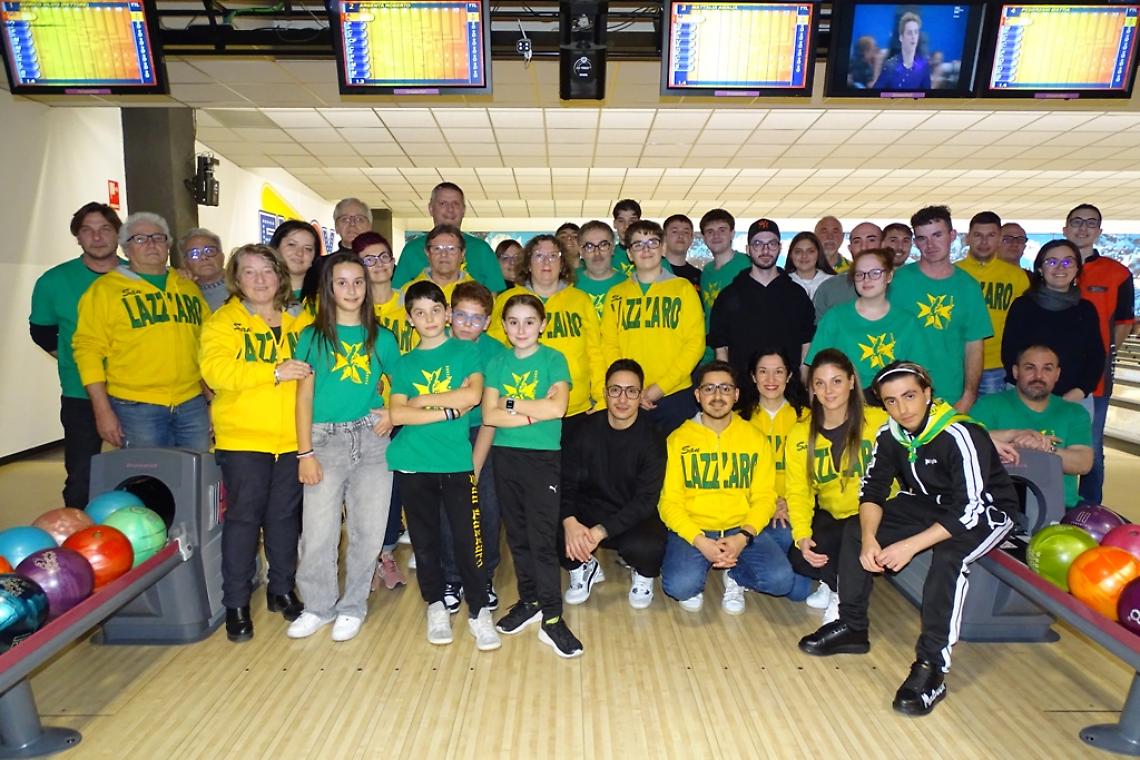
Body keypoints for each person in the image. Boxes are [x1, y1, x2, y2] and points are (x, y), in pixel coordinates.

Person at [798, 361, 1014, 716]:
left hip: (986, 511)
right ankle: (852, 626)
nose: (903, 408)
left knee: (949, 557)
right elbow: (872, 490)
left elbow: (968, 510)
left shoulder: (960, 434)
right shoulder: (890, 433)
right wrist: (870, 538)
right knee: (855, 530)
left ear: (928, 393)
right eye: (892, 401)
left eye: (910, 396)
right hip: (928, 503)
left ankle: (932, 668)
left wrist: (910, 546)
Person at [199, 244, 311, 642]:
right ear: (237, 278)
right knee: (244, 520)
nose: (260, 279)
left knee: (284, 518)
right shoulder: (223, 322)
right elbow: (216, 371)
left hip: (293, 438)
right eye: (249, 271)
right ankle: (236, 602)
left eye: (267, 270)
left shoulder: (301, 319)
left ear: (280, 275)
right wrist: (273, 372)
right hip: (244, 439)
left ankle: (282, 588)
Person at [289, 252, 399, 643]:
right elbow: (303, 397)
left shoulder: (382, 338)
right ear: (329, 289)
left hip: (371, 439)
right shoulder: (312, 337)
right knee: (318, 532)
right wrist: (305, 453)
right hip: (324, 440)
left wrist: (392, 412)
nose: (351, 290)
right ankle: (318, 606)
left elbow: (403, 384)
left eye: (358, 282)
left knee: (368, 530)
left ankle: (353, 605)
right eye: (342, 282)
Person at [387, 280, 499, 651]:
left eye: (436, 310)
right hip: (413, 461)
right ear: (410, 319)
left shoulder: (465, 352)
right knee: (425, 540)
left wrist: (422, 401)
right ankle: (435, 605)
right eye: (419, 313)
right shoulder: (405, 363)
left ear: (446, 314)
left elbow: (474, 395)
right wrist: (448, 410)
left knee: (469, 539)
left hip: (455, 461)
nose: (429, 318)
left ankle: (479, 610)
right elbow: (397, 414)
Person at [659, 361, 812, 614]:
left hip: (740, 527)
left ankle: (735, 574)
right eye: (709, 388)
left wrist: (743, 537)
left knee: (781, 582)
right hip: (695, 528)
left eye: (725, 388)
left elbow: (764, 497)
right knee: (680, 586)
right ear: (697, 395)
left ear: (736, 394)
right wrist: (699, 541)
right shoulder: (678, 439)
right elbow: (668, 503)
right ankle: (703, 564)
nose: (717, 396)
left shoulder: (754, 438)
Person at [481, 294, 579, 657]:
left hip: (542, 460)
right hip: (505, 457)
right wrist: (532, 412)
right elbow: (489, 415)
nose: (521, 329)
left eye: (529, 321)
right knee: (518, 535)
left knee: (541, 539)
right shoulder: (497, 362)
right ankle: (530, 600)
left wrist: (510, 404)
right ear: (504, 326)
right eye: (513, 322)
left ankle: (552, 617)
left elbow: (558, 407)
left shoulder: (554, 359)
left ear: (542, 325)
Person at [72, 212, 211, 451]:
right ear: (126, 249)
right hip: (135, 407)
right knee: (148, 472)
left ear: (168, 245)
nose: (151, 244)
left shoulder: (187, 288)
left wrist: (211, 398)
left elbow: (206, 345)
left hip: (191, 403)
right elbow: (88, 351)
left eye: (158, 237)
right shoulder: (104, 291)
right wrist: (102, 410)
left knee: (196, 471)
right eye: (140, 239)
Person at [29, 202, 123, 509]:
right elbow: (42, 332)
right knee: (82, 477)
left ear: (118, 233)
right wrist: (76, 361)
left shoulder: (137, 276)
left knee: (144, 470)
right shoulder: (54, 281)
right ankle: (77, 533)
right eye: (87, 230)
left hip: (137, 391)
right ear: (78, 237)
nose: (97, 237)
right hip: (79, 393)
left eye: (105, 229)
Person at [785, 349, 889, 623]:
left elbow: (926, 420)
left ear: (852, 381)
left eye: (836, 381)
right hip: (834, 513)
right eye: (820, 383)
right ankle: (833, 582)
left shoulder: (879, 421)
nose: (828, 391)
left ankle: (843, 593)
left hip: (877, 513)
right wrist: (802, 535)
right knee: (801, 556)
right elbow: (798, 491)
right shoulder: (800, 433)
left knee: (851, 540)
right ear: (812, 388)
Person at [560, 359, 667, 609]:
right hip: (589, 511)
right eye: (615, 390)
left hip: (632, 517)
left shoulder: (652, 438)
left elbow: (645, 501)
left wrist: (600, 531)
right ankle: (583, 566)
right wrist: (570, 522)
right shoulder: (584, 430)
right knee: (548, 526)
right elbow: (566, 482)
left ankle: (642, 573)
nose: (622, 399)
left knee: (648, 548)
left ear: (640, 395)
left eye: (631, 391)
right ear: (605, 393)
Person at [489, 235, 603, 433]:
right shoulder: (507, 300)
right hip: (521, 408)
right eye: (539, 255)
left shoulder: (581, 300)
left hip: (577, 409)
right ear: (528, 263)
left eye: (553, 255)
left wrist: (601, 397)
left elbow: (595, 352)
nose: (546, 262)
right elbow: (494, 351)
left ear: (562, 263)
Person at [601, 220, 705, 435]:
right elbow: (609, 345)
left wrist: (660, 388)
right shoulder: (616, 294)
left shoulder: (683, 289)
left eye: (652, 243)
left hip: (675, 394)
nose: (646, 249)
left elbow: (695, 344)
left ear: (663, 248)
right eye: (638, 244)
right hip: (629, 398)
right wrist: (630, 389)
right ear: (629, 254)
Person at [438, 282, 504, 611]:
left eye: (476, 318)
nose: (467, 324)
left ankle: (483, 574)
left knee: (485, 504)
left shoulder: (496, 353)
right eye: (461, 315)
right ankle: (451, 575)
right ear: (449, 314)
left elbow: (492, 415)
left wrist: (475, 466)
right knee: (447, 507)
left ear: (487, 322)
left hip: (483, 432)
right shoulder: (436, 345)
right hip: (443, 431)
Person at [1064, 203, 1134, 504]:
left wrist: (1102, 355)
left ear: (1099, 231)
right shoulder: (1052, 266)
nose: (1083, 228)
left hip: (1096, 378)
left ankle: (1090, 510)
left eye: (1090, 223)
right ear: (1065, 228)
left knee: (1090, 446)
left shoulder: (1116, 273)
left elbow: (1124, 322)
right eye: (1077, 222)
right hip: (1048, 374)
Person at [890, 206, 991, 412]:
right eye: (922, 238)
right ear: (916, 242)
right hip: (901, 394)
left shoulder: (968, 287)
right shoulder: (897, 283)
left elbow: (974, 346)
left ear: (952, 236)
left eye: (937, 235)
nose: (930, 245)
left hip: (951, 397)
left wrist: (968, 396)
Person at [973, 345, 1093, 509]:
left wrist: (1046, 450)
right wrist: (1014, 437)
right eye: (1030, 368)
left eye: (1047, 369)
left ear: (1057, 374)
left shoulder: (1074, 412)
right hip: (996, 506)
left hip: (1061, 509)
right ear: (1016, 372)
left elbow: (1083, 464)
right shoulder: (988, 405)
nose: (1038, 376)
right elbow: (967, 444)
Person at [709, 218, 815, 389]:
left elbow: (806, 347)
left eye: (771, 244)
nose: (765, 250)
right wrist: (728, 389)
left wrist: (804, 388)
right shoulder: (728, 296)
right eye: (758, 244)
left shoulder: (797, 295)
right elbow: (721, 351)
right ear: (748, 250)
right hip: (743, 392)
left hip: (789, 392)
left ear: (780, 248)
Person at [1001, 240, 1104, 407]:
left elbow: (1096, 357)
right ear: (1040, 269)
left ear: (1077, 269)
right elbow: (1010, 354)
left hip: (1074, 400)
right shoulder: (1022, 306)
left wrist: (1079, 392)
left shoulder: (1086, 310)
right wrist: (1034, 395)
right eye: (1051, 262)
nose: (1060, 267)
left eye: (1068, 262)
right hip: (1025, 397)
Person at [807, 247, 924, 392]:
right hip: (845, 401)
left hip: (893, 401)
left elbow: (918, 375)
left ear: (889, 276)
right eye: (859, 274)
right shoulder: (835, 317)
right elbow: (814, 370)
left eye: (875, 273)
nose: (866, 279)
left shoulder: (908, 322)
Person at [956, 211, 1030, 396]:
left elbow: (1023, 325)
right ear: (967, 238)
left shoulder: (1016, 276)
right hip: (956, 363)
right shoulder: (953, 272)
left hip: (996, 365)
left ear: (999, 239)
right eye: (978, 235)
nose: (984, 242)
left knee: (990, 416)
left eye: (991, 235)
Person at [394, 183, 505, 292]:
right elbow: (398, 295)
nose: (450, 209)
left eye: (455, 204)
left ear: (463, 210)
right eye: (443, 203)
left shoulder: (482, 250)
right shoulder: (412, 250)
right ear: (431, 208)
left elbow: (494, 297)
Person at [356, 231, 417, 354]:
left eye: (384, 257)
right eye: (369, 260)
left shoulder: (412, 303)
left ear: (392, 262)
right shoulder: (352, 310)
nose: (379, 264)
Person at [299, 198, 369, 302]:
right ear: (336, 227)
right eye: (345, 219)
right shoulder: (321, 265)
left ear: (369, 226)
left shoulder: (381, 266)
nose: (352, 224)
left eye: (359, 219)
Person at [813, 221, 882, 318]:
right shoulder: (829, 288)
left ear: (884, 245)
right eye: (857, 241)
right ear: (850, 248)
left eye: (871, 240)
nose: (864, 247)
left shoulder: (900, 285)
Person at [697, 208, 749, 325]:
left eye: (722, 230)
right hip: (710, 336)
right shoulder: (706, 271)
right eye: (710, 231)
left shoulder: (748, 265)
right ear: (704, 238)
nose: (716, 235)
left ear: (732, 234)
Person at [575, 220, 626, 319]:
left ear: (613, 248)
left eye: (603, 245)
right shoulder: (569, 284)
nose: (597, 253)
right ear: (581, 251)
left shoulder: (628, 285)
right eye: (589, 246)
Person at [873, 12, 931, 90]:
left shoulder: (923, 66)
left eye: (916, 32)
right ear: (901, 37)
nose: (913, 37)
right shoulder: (890, 67)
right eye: (909, 33)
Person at [178, 228, 228, 311]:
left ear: (222, 256)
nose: (204, 257)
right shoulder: (181, 292)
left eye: (210, 251)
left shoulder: (241, 285)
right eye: (194, 253)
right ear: (184, 262)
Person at [269, 220, 319, 303]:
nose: (299, 253)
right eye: (292, 245)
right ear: (276, 248)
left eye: (308, 249)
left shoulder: (323, 298)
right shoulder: (259, 292)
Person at [784, 230, 836, 300]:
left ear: (819, 254)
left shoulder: (833, 282)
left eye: (810, 251)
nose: (804, 256)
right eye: (798, 251)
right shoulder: (782, 283)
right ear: (791, 255)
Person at [663, 214, 702, 289]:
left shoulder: (698, 276)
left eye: (686, 232)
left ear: (691, 238)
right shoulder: (653, 270)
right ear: (664, 237)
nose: (681, 236)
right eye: (675, 231)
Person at [611, 198, 641, 272]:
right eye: (621, 221)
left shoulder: (651, 255)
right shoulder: (606, 256)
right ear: (614, 224)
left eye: (632, 221)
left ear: (639, 223)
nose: (627, 226)